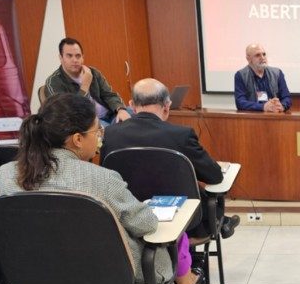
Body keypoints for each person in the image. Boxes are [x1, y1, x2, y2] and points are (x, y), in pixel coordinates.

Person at [0, 93, 204, 284]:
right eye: (97, 132)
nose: (100, 138)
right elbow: (146, 224)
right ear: (77, 139)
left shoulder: (7, 175)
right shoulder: (101, 179)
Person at [100, 78, 240, 240]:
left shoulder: (111, 134)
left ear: (132, 105)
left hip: (129, 219)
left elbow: (107, 178)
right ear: (167, 106)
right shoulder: (181, 135)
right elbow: (214, 176)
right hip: (183, 222)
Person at [44, 38, 130, 126]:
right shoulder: (53, 83)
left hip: (111, 113)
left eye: (78, 56)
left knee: (134, 116)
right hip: (88, 124)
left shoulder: (93, 72)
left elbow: (109, 95)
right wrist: (84, 86)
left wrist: (120, 109)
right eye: (69, 56)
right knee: (118, 131)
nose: (75, 60)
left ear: (82, 58)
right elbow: (68, 115)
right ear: (61, 58)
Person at [234, 44, 292, 112]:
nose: (262, 57)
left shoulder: (277, 73)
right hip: (253, 118)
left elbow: (286, 97)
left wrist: (282, 106)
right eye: (257, 55)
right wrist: (263, 107)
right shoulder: (241, 75)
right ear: (248, 59)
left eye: (264, 54)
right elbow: (240, 102)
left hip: (275, 116)